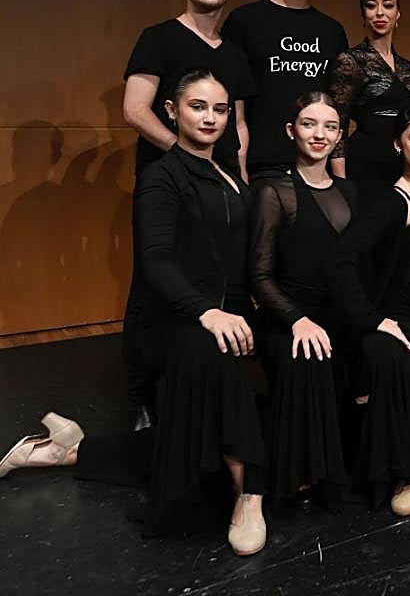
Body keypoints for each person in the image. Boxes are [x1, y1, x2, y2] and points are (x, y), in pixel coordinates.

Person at [2, 71, 268, 555]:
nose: (210, 118)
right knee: (216, 354)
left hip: (227, 310)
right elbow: (155, 261)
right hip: (171, 320)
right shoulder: (160, 177)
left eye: (220, 109)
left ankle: (70, 450)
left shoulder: (229, 170)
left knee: (267, 366)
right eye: (198, 106)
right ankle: (248, 495)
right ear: (172, 111)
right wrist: (207, 313)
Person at [121, 0, 254, 429]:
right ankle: (141, 398)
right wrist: (187, 159)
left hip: (219, 183)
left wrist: (234, 176)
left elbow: (238, 124)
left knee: (217, 274)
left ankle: (211, 373)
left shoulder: (235, 55)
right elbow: (135, 109)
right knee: (152, 282)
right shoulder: (158, 38)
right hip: (172, 178)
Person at [327, 104, 410, 516]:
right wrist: (373, 319)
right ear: (398, 144)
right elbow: (342, 258)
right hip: (397, 322)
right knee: (399, 370)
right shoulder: (392, 201)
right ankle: (409, 472)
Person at [248, 92, 358, 508]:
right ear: (291, 130)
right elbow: (259, 275)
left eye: (330, 127)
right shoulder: (273, 190)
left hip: (338, 314)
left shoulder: (351, 192)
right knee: (307, 353)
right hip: (288, 316)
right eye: (310, 124)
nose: (320, 134)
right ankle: (304, 472)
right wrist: (297, 319)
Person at [223, 0, 349, 178]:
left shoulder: (332, 31)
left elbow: (339, 107)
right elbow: (230, 101)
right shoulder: (244, 21)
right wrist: (239, 168)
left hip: (317, 167)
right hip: (260, 166)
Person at [327, 0, 410, 209]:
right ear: (363, 13)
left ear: (398, 13)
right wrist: (342, 186)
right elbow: (337, 123)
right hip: (365, 163)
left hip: (405, 164)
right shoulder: (350, 60)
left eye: (388, 5)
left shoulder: (407, 66)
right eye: (371, 6)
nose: (380, 12)